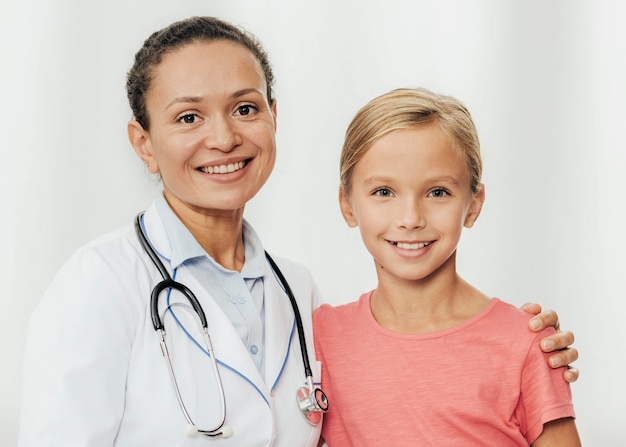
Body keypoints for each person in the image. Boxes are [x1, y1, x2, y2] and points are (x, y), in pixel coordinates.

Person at [19, 17, 578, 447]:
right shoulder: (101, 284)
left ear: (273, 117)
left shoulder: (301, 296)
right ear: (144, 144)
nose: (223, 138)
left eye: (244, 108)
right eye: (189, 117)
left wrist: (522, 343)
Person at [314, 87, 581, 446]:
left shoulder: (526, 343)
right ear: (347, 205)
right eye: (383, 192)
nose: (410, 219)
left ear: (473, 204)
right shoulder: (320, 339)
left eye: (437, 192)